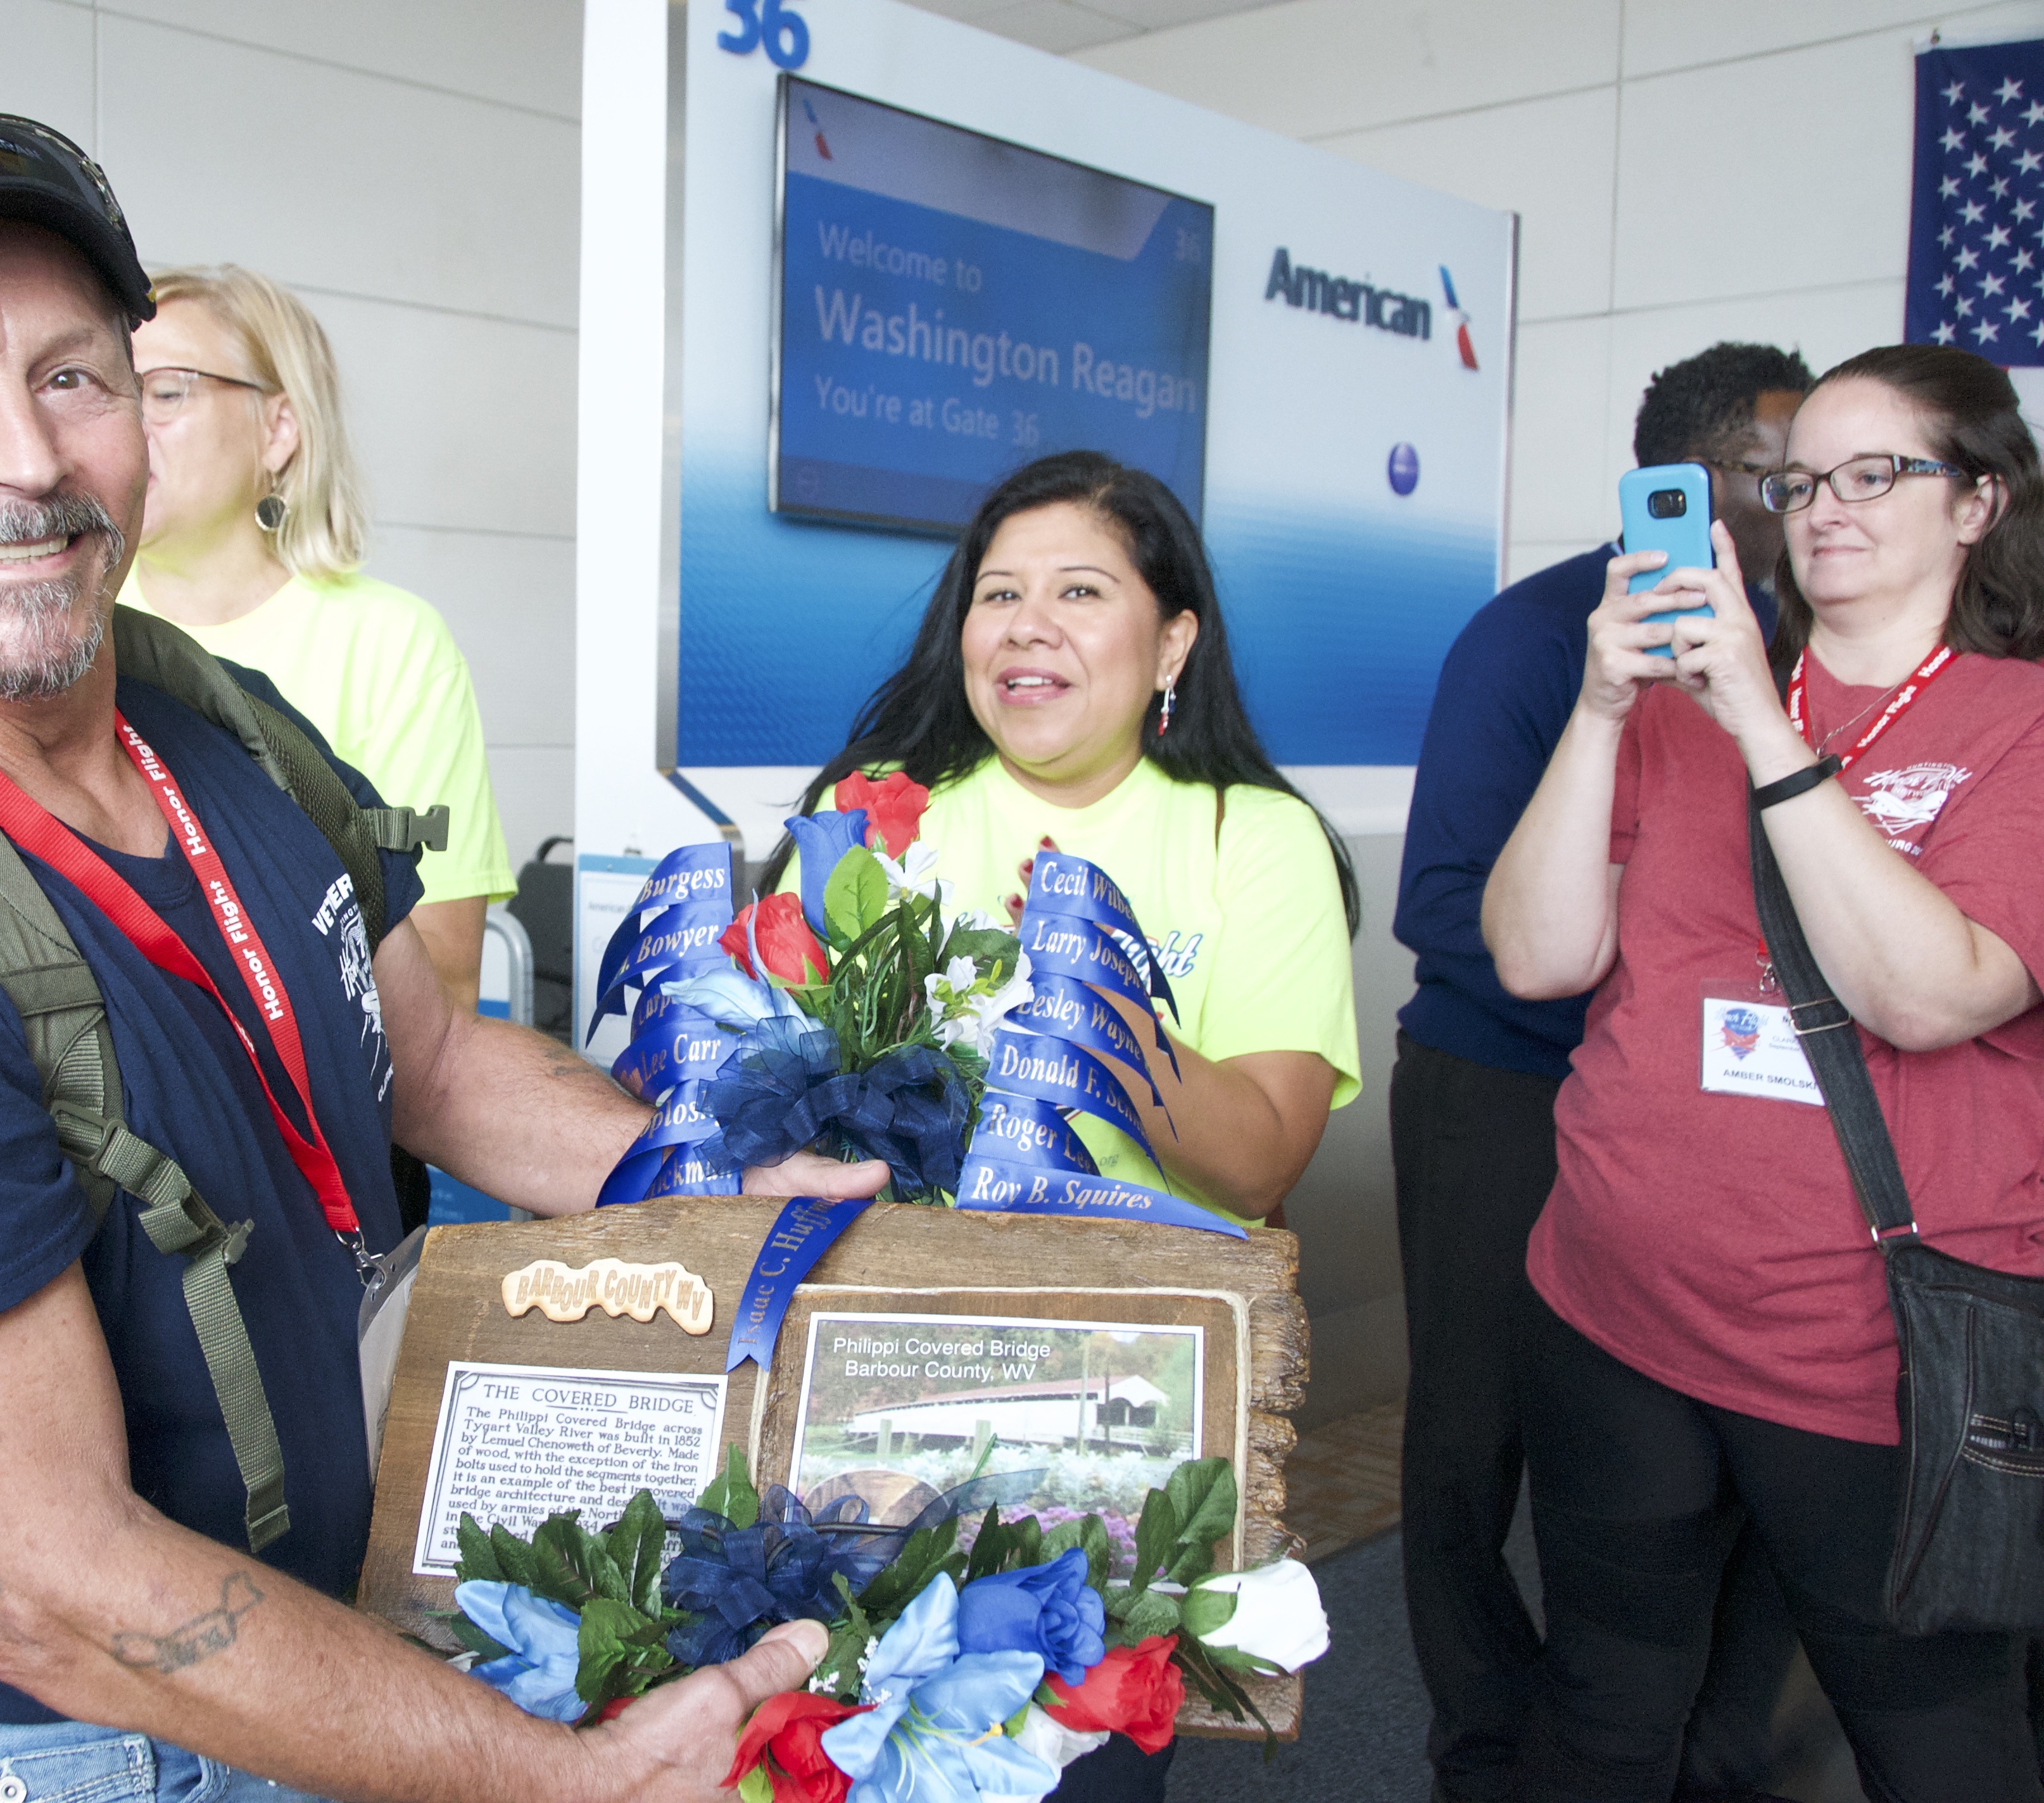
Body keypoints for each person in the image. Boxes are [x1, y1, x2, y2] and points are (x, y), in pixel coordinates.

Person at [0, 99, 878, 1802]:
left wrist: (708, 1188)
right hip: (60, 1752)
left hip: (321, 1658)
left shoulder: (204, 730)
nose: (21, 456)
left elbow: (430, 1059)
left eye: (76, 376)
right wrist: (558, 1781)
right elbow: (45, 1590)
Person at [1483, 342, 2044, 1800]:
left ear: (1976, 502)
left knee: (1931, 1733)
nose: (1825, 504)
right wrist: (1606, 709)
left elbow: (1930, 995)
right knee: (1604, 1692)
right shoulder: (1664, 711)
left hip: (1867, 1349)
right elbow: (1533, 955)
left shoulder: (2019, 723)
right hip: (1612, 1305)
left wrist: (1760, 721)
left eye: (1878, 472)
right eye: (1801, 479)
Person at [759, 449, 1360, 1800]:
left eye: (1079, 590)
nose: (1024, 624)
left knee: (1062, 1765)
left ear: (1172, 639)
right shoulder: (868, 820)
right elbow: (783, 1097)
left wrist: (1083, 989)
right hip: (873, 1388)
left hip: (1113, 1401)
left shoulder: (1252, 837)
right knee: (841, 1741)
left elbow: (1260, 1149)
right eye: (997, 594)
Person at [1392, 342, 1813, 1803]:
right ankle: (1480, 1738)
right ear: (1693, 485)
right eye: (1783, 474)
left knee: (1687, 1449)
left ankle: (1666, 1729)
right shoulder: (1528, 641)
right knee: (1468, 1440)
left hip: (1683, 1120)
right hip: (1499, 1086)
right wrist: (1644, 949)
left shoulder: (1795, 653)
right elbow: (1438, 905)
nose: (1809, 501)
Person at [119, 264, 514, 1011]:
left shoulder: (393, 645)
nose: (126, 423)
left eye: (167, 391)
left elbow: (447, 980)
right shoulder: (64, 630)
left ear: (279, 430)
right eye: (106, 385)